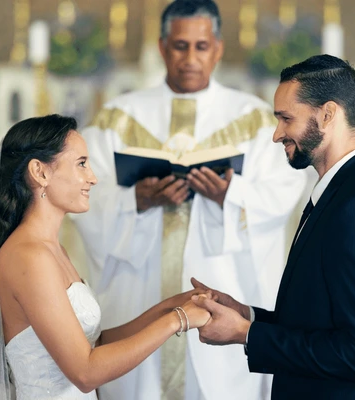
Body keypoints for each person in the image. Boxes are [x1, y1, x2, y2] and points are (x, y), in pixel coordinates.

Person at [70, 1, 306, 399]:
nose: (190, 58)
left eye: (201, 46)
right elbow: (83, 195)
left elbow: (283, 193)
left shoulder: (255, 118)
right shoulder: (117, 117)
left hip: (222, 287)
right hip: (138, 298)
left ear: (217, 48)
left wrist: (230, 193)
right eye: (180, 46)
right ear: (162, 48)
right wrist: (136, 201)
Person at [0, 114, 210, 400]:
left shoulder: (52, 250)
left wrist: (172, 304)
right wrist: (177, 321)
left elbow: (96, 344)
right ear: (40, 172)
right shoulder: (29, 256)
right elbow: (85, 372)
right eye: (81, 164)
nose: (92, 178)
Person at [191, 55, 355, 399]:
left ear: (327, 115)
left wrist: (247, 335)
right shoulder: (340, 194)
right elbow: (321, 322)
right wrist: (248, 315)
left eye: (286, 118)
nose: (276, 134)